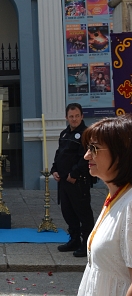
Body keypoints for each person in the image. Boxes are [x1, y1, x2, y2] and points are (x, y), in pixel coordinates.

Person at [49, 114, 132, 296]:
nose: (86, 156)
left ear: (122, 155)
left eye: (95, 149)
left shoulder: (131, 205)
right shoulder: (116, 198)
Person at [51, 103, 95, 257]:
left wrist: (74, 174)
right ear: (66, 118)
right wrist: (54, 169)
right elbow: (59, 154)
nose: (74, 119)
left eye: (77, 116)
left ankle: (87, 245)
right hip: (64, 181)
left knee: (83, 213)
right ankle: (74, 240)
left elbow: (85, 158)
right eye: (71, 116)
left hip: (78, 181)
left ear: (82, 116)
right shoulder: (64, 134)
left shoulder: (86, 134)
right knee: (68, 212)